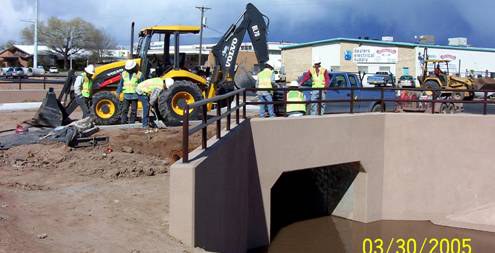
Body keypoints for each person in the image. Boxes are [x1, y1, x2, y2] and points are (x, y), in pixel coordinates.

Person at [117, 60, 142, 124]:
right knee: (124, 110)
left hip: (135, 95)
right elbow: (121, 84)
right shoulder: (124, 74)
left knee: (133, 110)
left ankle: (132, 122)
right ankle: (123, 122)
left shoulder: (139, 74)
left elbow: (142, 85)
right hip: (126, 95)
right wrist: (118, 92)